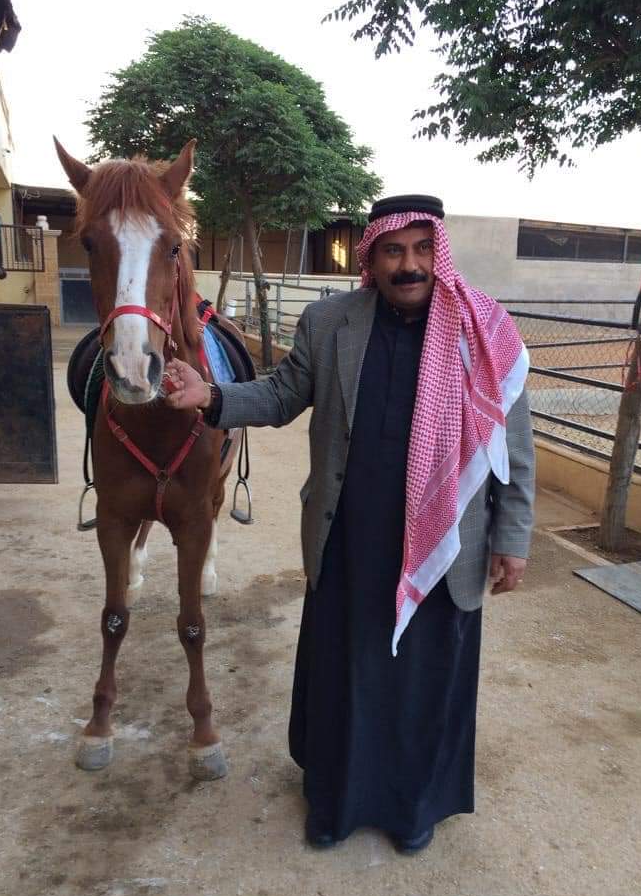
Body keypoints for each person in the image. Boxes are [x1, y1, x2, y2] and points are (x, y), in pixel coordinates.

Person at [165, 194, 535, 854]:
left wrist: (512, 537)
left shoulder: (484, 331)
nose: (409, 265)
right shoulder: (331, 321)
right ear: (372, 256)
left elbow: (515, 444)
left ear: (439, 253)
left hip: (446, 545)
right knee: (347, 677)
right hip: (350, 541)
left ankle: (413, 810)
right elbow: (281, 394)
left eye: (422, 249)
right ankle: (334, 803)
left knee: (424, 683)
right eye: (394, 251)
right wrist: (211, 396)